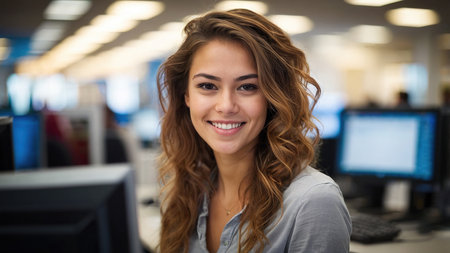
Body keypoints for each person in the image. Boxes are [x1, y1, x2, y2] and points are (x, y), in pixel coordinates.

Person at [156, 8, 351, 253]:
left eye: (247, 86)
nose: (226, 106)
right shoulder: (185, 192)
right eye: (207, 85)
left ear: (273, 97)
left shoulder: (312, 203)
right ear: (186, 95)